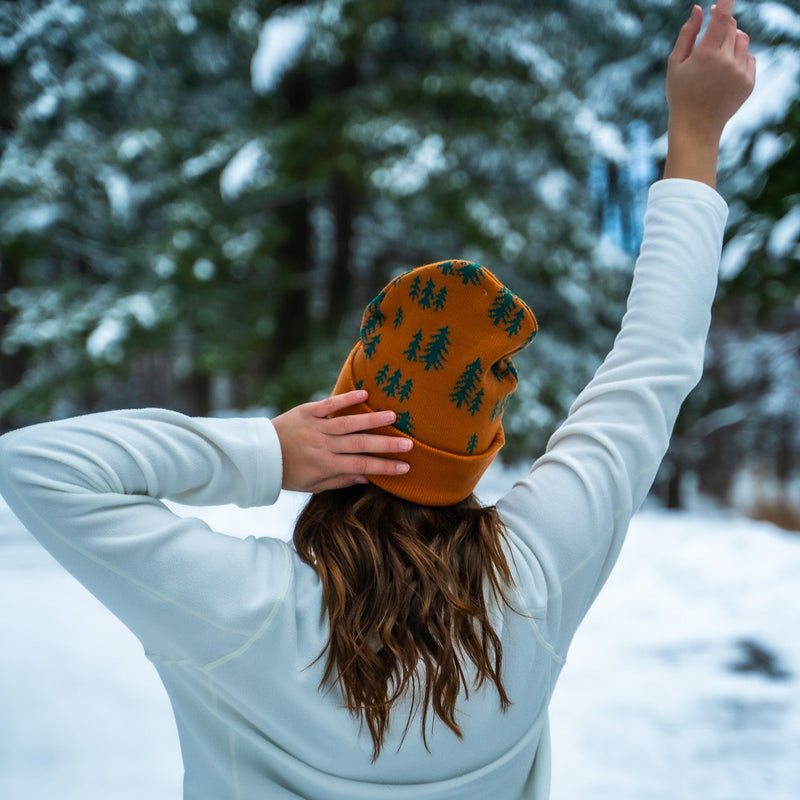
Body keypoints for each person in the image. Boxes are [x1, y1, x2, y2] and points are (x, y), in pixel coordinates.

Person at [0, 3, 755, 798]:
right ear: (479, 444)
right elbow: (654, 361)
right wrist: (696, 134)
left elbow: (36, 466)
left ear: (345, 406)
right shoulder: (537, 580)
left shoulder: (243, 610)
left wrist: (269, 453)